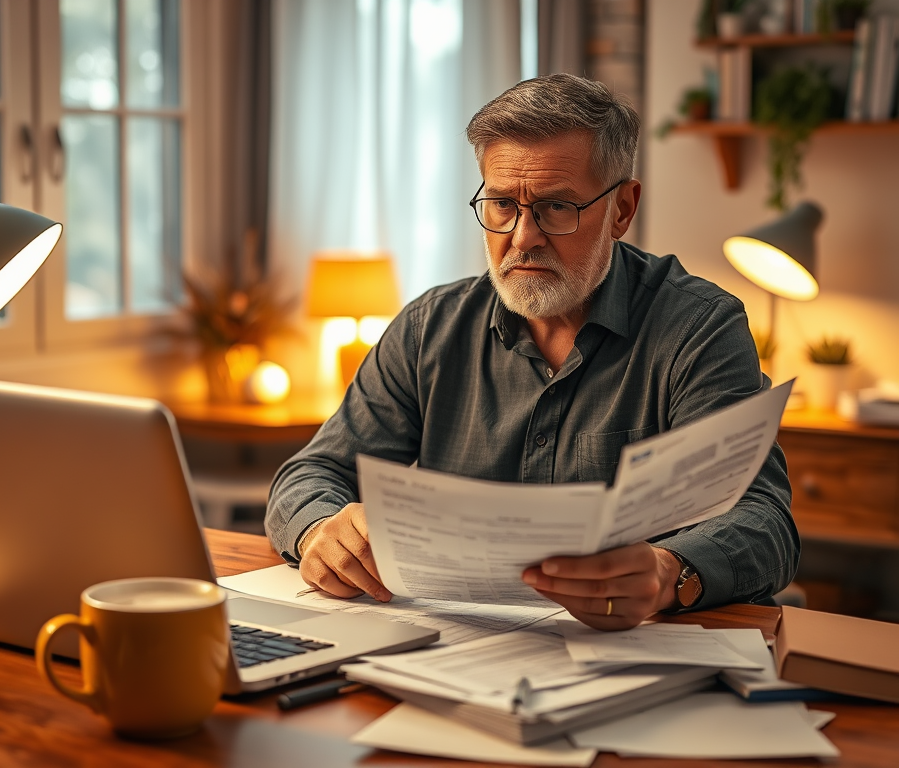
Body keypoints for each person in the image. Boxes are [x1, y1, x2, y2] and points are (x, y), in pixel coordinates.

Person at [265, 73, 798, 630]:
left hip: (635, 655)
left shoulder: (699, 329)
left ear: (621, 209)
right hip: (455, 649)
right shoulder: (430, 328)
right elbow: (313, 472)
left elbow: (764, 523)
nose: (522, 238)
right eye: (500, 205)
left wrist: (670, 572)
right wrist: (319, 529)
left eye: (556, 207)